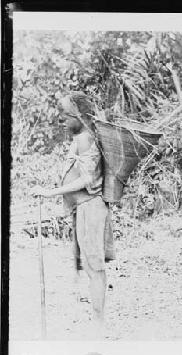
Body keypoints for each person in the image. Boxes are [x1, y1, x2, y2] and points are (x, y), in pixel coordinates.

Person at [32, 92, 115, 336]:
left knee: (95, 267)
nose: (62, 121)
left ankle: (99, 324)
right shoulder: (81, 137)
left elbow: (87, 179)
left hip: (91, 207)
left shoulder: (87, 138)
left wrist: (51, 192)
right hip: (84, 208)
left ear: (79, 115)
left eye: (66, 116)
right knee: (90, 267)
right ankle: (97, 320)